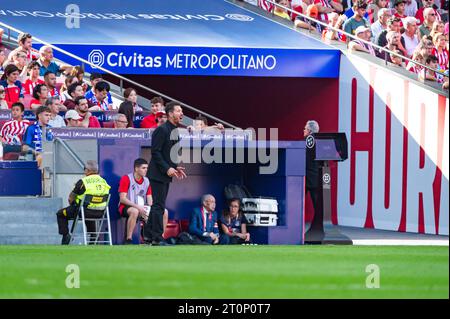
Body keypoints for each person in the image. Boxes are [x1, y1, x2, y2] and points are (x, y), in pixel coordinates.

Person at [143, 101, 187, 246]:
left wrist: (175, 167)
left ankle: (148, 235)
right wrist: (167, 168)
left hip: (165, 173)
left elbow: (169, 154)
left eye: (181, 111)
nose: (181, 113)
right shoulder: (162, 130)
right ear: (170, 114)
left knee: (158, 205)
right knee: (158, 206)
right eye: (178, 111)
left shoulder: (174, 131)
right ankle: (156, 237)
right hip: (157, 173)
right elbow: (155, 152)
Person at [56, 160, 111, 245]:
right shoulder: (104, 182)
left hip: (83, 212)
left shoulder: (83, 182)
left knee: (60, 213)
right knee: (88, 209)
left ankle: (66, 236)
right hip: (100, 213)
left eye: (84, 169)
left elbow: (71, 198)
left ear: (88, 170)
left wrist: (72, 204)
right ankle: (93, 240)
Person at [118, 158, 169, 245]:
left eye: (147, 168)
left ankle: (159, 238)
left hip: (141, 206)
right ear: (136, 169)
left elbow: (149, 200)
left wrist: (150, 209)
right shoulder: (126, 178)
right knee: (135, 211)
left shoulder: (147, 180)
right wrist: (137, 206)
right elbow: (122, 199)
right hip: (126, 206)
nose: (146, 170)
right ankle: (128, 239)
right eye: (143, 168)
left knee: (164, 211)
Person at [303, 120, 324, 240]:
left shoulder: (309, 139)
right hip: (317, 178)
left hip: (308, 178)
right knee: (318, 206)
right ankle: (317, 230)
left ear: (310, 131)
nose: (303, 130)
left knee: (296, 204)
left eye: (305, 128)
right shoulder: (321, 141)